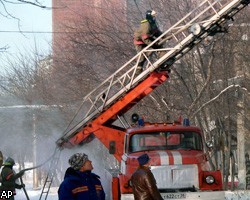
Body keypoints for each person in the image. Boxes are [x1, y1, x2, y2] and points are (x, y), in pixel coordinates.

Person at [134, 10, 164, 74]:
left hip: (147, 38)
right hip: (140, 42)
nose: (154, 18)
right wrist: (152, 44)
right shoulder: (146, 25)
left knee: (159, 45)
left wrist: (165, 36)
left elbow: (157, 32)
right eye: (153, 16)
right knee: (141, 57)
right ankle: (137, 72)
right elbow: (144, 38)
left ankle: (163, 58)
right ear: (149, 16)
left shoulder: (152, 23)